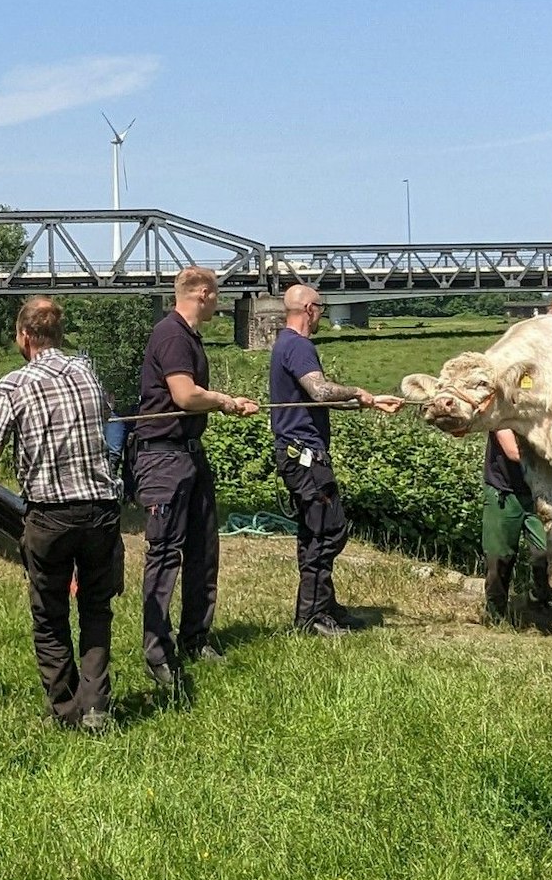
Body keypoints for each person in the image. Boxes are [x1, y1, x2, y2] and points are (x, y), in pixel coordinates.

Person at [0, 297, 124, 733]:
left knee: (50, 614)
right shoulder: (86, 373)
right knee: (96, 608)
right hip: (100, 509)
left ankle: (65, 709)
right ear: (59, 335)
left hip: (50, 515)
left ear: (23, 336)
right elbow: (105, 420)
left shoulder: (12, 385)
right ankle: (96, 707)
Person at [135, 266, 259, 691]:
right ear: (202, 293)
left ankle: (196, 638)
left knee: (204, 551)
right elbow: (184, 395)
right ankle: (158, 650)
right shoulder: (170, 334)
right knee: (166, 554)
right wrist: (226, 401)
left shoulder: (187, 336)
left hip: (189, 455)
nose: (219, 302)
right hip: (163, 459)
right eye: (217, 294)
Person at [269, 284, 404, 635]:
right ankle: (312, 618)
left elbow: (320, 399)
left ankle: (323, 606)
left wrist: (371, 401)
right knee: (328, 532)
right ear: (310, 309)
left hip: (296, 455)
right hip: (306, 458)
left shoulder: (284, 343)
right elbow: (321, 391)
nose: (322, 316)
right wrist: (359, 391)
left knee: (315, 531)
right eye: (321, 309)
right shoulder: (298, 346)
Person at [482, 427, 552, 627]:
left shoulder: (542, 412)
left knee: (547, 554)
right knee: (498, 559)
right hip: (503, 493)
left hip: (539, 493)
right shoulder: (500, 414)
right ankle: (495, 616)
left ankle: (535, 602)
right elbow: (514, 452)